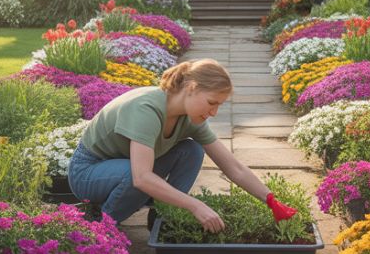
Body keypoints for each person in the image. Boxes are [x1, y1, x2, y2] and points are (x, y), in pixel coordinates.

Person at [67, 59, 298, 232]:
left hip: (124, 168)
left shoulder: (190, 118)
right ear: (191, 88)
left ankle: (162, 217)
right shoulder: (146, 110)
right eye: (211, 103)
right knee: (137, 176)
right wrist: (194, 205)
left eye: (219, 105)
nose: (214, 112)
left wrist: (271, 201)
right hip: (88, 171)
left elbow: (233, 168)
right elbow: (141, 178)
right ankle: (102, 228)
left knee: (191, 150)